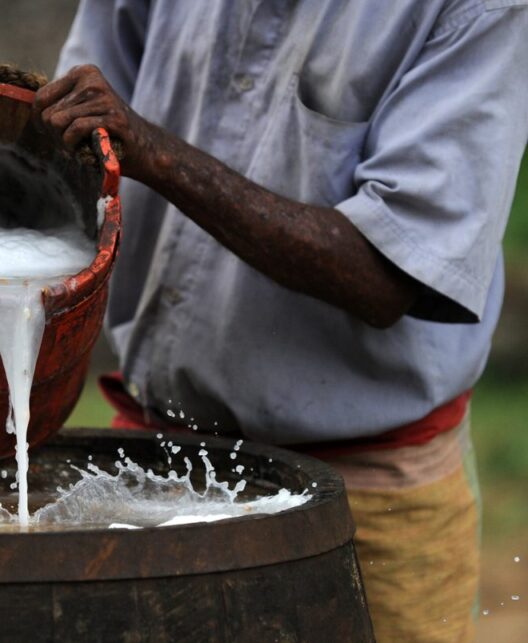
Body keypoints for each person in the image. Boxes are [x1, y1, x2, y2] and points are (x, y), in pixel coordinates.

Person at [35, 1, 528, 641]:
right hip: (150, 470)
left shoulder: (474, 10)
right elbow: (72, 132)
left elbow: (388, 273)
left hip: (361, 502)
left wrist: (155, 153)